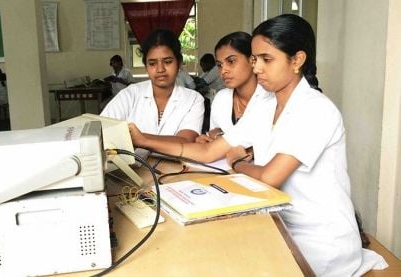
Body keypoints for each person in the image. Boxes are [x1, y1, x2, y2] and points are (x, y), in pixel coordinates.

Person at [129, 14, 387, 276]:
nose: (257, 68)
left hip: (321, 240)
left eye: (267, 59)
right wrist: (143, 139)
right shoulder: (266, 107)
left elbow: (269, 177)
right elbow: (207, 151)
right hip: (279, 221)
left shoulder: (316, 110)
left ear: (297, 60)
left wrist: (239, 163)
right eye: (254, 59)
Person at [101, 29, 204, 146]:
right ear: (146, 66)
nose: (160, 69)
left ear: (179, 63)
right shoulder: (130, 94)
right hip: (131, 164)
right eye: (152, 63)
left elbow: (185, 141)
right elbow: (103, 130)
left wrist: (140, 139)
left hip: (173, 164)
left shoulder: (193, 99)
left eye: (168, 62)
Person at [196, 31, 265, 143]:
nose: (223, 70)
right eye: (219, 65)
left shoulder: (271, 97)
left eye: (231, 61)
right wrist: (211, 138)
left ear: (252, 60)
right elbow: (215, 137)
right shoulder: (221, 98)